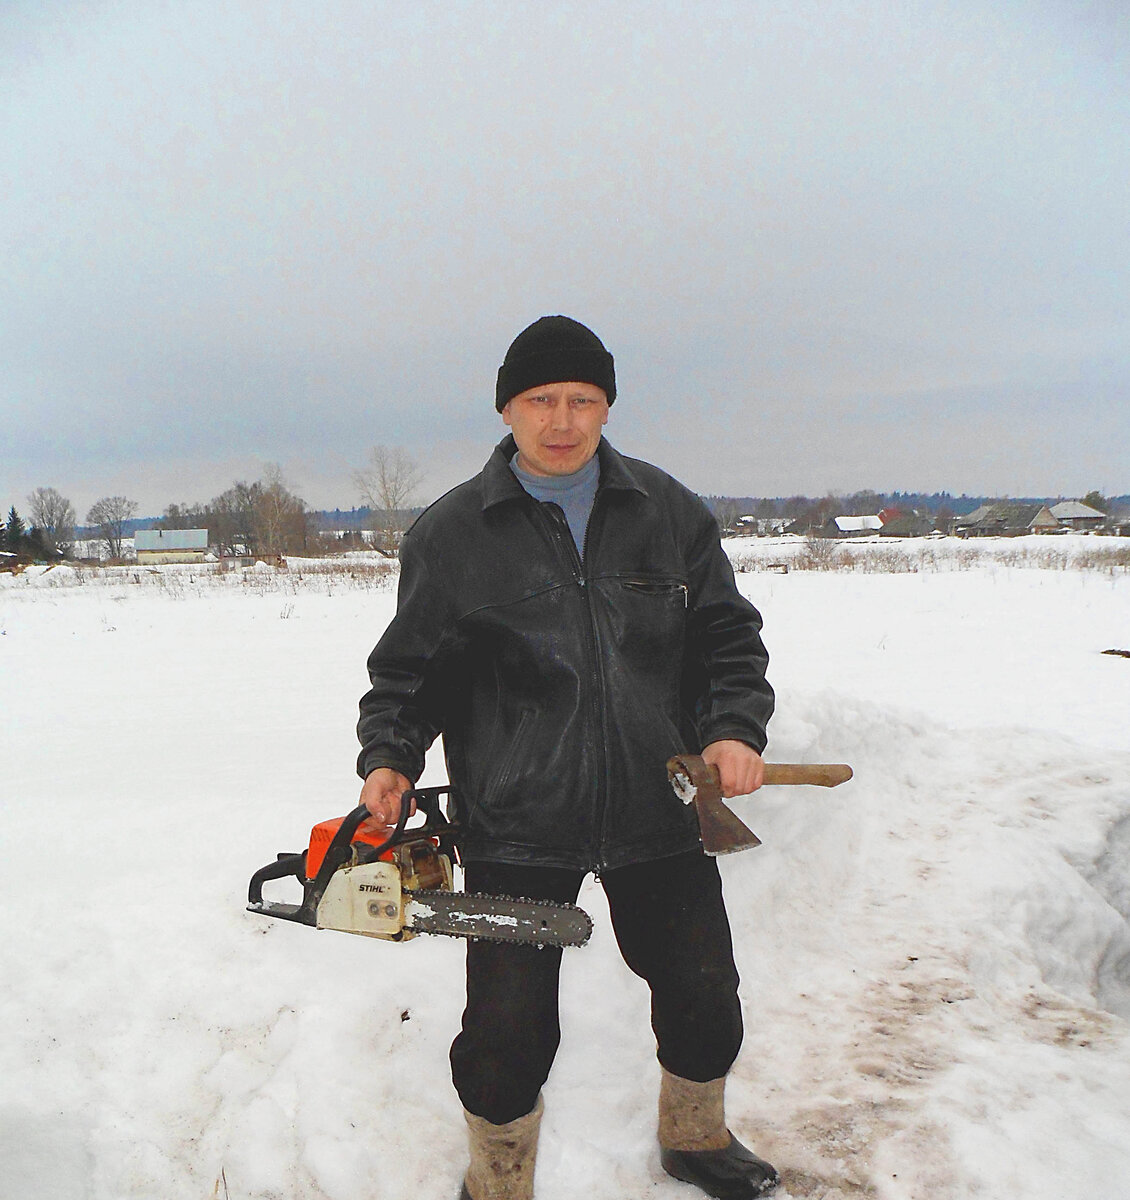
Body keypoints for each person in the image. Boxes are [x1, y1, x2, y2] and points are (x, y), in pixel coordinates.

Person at [357, 315, 779, 1200]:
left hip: (659, 805)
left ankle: (696, 1139)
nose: (561, 420)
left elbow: (727, 641)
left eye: (582, 400)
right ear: (507, 407)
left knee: (705, 994)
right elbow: (411, 671)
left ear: (607, 406)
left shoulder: (666, 512)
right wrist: (390, 753)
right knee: (505, 1034)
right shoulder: (452, 535)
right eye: (540, 400)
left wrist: (733, 727)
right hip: (515, 821)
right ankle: (497, 1181)